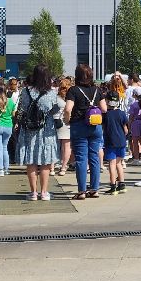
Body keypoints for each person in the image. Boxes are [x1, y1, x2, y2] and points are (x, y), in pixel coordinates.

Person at [16, 66, 62, 201]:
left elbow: (22, 108)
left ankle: (33, 193)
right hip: (46, 129)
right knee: (45, 161)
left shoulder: (25, 91)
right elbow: (54, 110)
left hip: (29, 129)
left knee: (31, 160)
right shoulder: (51, 93)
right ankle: (44, 192)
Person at [67, 64, 108, 199]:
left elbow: (68, 108)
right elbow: (104, 109)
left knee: (81, 158)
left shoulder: (73, 90)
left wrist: (67, 119)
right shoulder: (97, 89)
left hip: (79, 126)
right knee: (94, 157)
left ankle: (82, 191)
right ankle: (94, 189)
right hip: (95, 126)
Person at [104, 75, 131, 194]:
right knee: (119, 163)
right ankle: (122, 184)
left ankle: (113, 185)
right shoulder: (121, 113)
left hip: (110, 141)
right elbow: (126, 129)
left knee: (112, 163)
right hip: (121, 141)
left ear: (106, 101)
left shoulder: (105, 115)